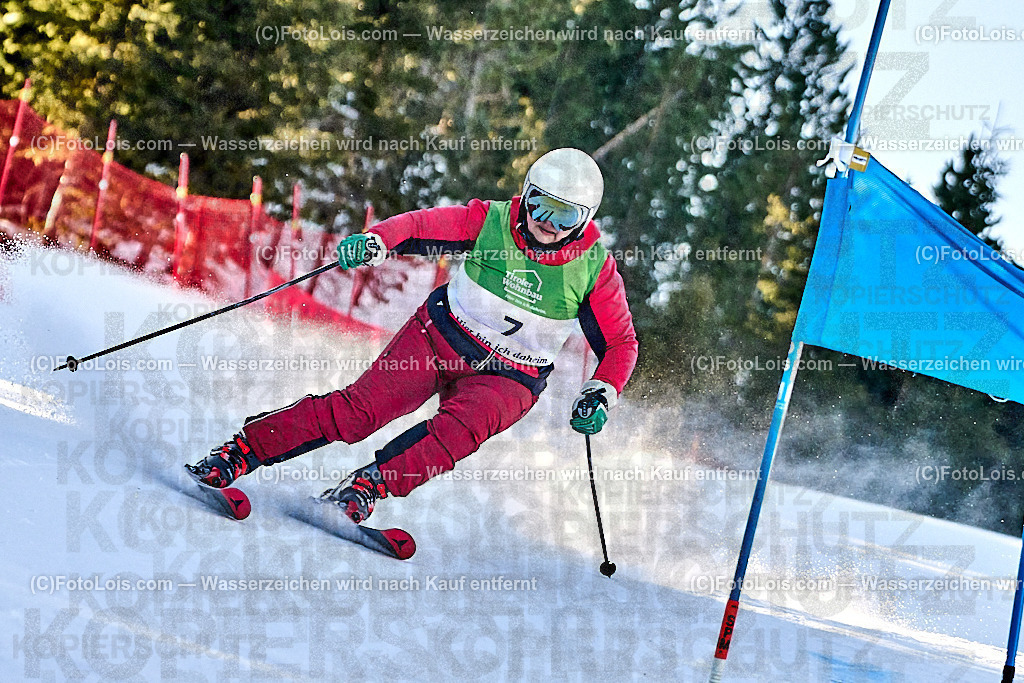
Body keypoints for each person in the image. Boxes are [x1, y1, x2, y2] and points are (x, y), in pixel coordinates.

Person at [187, 148, 638, 524]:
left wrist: (601, 392)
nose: (547, 224)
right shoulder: (493, 221)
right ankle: (240, 451)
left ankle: (367, 487)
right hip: (440, 335)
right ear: (525, 196)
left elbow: (620, 343)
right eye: (539, 205)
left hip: (510, 377)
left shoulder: (594, 269)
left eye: (564, 217)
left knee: (453, 436)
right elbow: (423, 227)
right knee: (359, 413)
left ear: (585, 219)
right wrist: (376, 240)